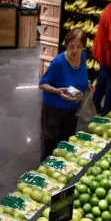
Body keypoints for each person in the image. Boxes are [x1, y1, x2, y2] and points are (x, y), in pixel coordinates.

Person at [39, 29, 92, 160]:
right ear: (66, 44)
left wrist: (88, 83)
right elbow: (42, 84)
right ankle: (46, 165)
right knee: (51, 141)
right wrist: (57, 91)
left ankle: (62, 167)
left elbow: (80, 76)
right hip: (54, 110)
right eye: (71, 46)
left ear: (83, 47)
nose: (74, 50)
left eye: (78, 47)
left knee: (67, 140)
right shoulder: (59, 63)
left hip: (73, 109)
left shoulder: (83, 57)